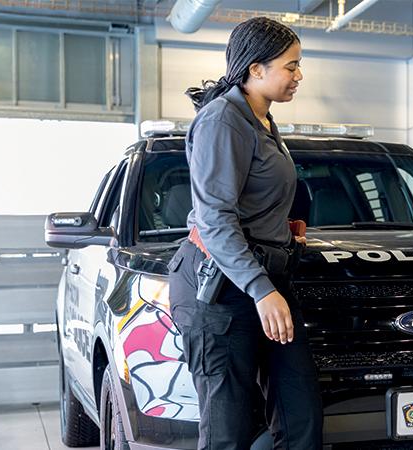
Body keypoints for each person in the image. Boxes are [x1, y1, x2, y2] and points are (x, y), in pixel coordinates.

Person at [167, 17, 321, 450]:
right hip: (221, 289)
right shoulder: (223, 120)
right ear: (256, 69)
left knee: (300, 416)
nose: (299, 76)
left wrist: (282, 231)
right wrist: (260, 289)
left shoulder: (263, 121)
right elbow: (215, 218)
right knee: (227, 433)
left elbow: (251, 199)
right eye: (291, 66)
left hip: (266, 279)